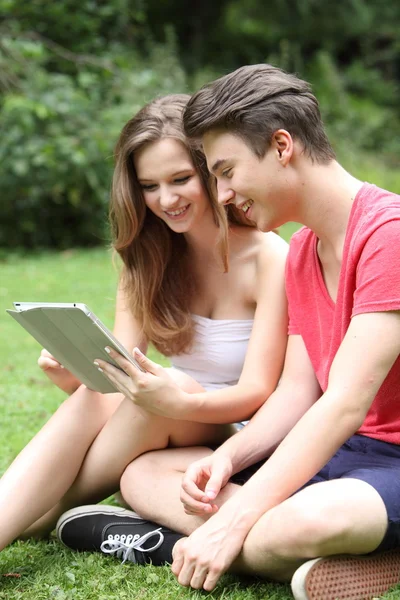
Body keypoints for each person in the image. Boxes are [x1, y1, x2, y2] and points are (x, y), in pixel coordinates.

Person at [57, 65, 400, 600]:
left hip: (388, 459)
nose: (220, 194)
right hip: (332, 451)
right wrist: (229, 459)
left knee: (308, 521)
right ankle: (320, 554)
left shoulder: (388, 236)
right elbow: (298, 393)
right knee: (144, 474)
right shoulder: (305, 252)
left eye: (226, 171)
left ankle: (169, 545)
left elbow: (343, 405)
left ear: (281, 145)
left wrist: (236, 519)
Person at [0, 93, 288, 555]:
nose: (166, 200)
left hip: (240, 432)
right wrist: (72, 375)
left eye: (180, 179)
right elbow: (113, 383)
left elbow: (259, 392)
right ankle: (17, 517)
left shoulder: (269, 259)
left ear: (212, 171)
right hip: (167, 415)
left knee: (159, 388)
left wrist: (175, 397)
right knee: (106, 390)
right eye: (149, 186)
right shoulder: (146, 258)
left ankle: (41, 513)